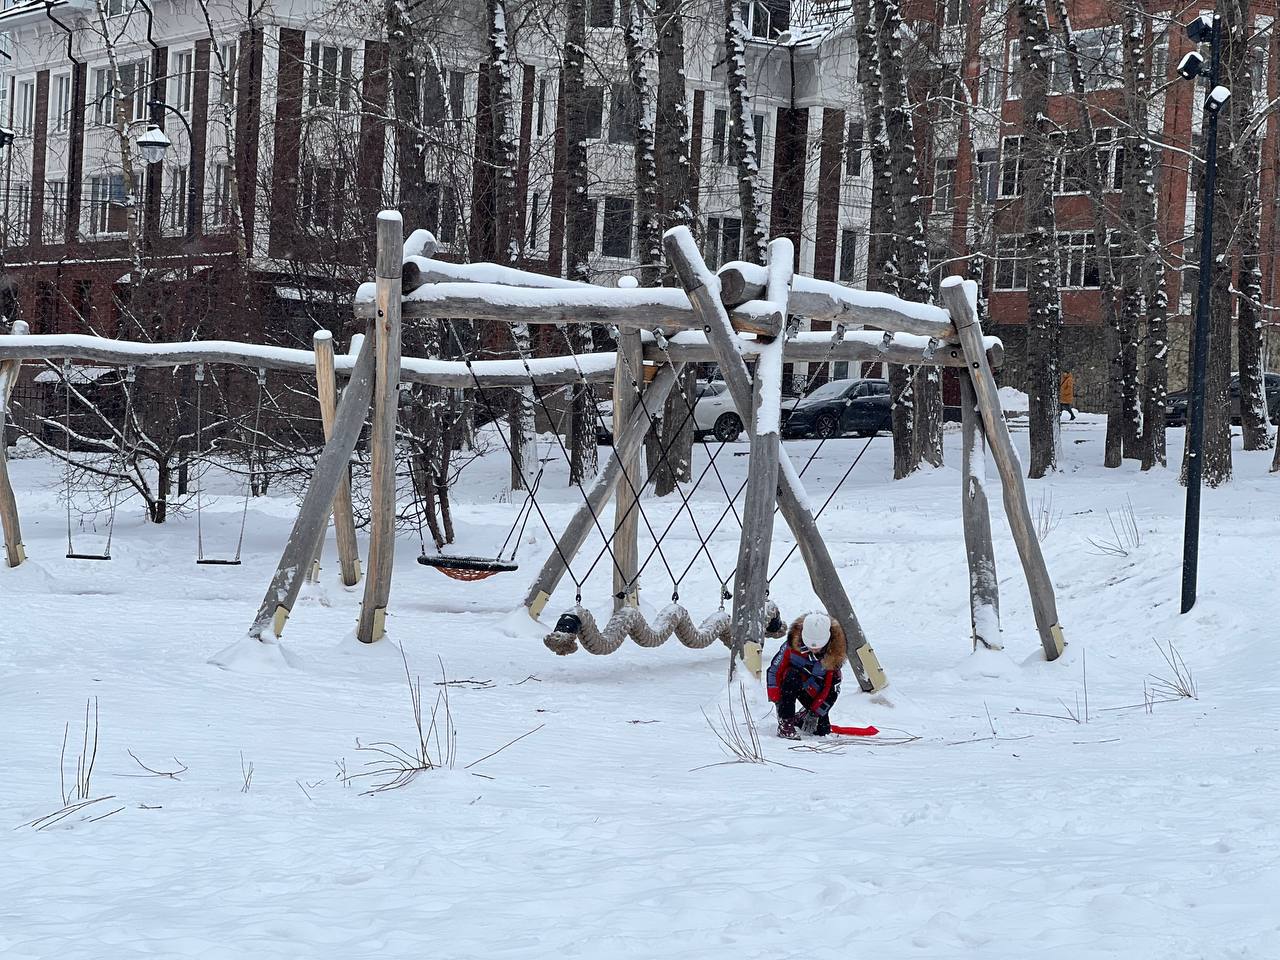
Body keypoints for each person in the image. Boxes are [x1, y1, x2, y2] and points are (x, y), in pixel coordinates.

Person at [766, 612, 845, 739]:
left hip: (815, 690)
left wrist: (815, 712)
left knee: (821, 730)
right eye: (809, 644)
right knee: (792, 674)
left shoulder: (834, 656)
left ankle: (802, 716)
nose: (813, 649)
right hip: (791, 683)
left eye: (818, 646)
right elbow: (774, 670)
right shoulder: (790, 646)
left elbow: (830, 690)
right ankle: (786, 724)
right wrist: (777, 699)